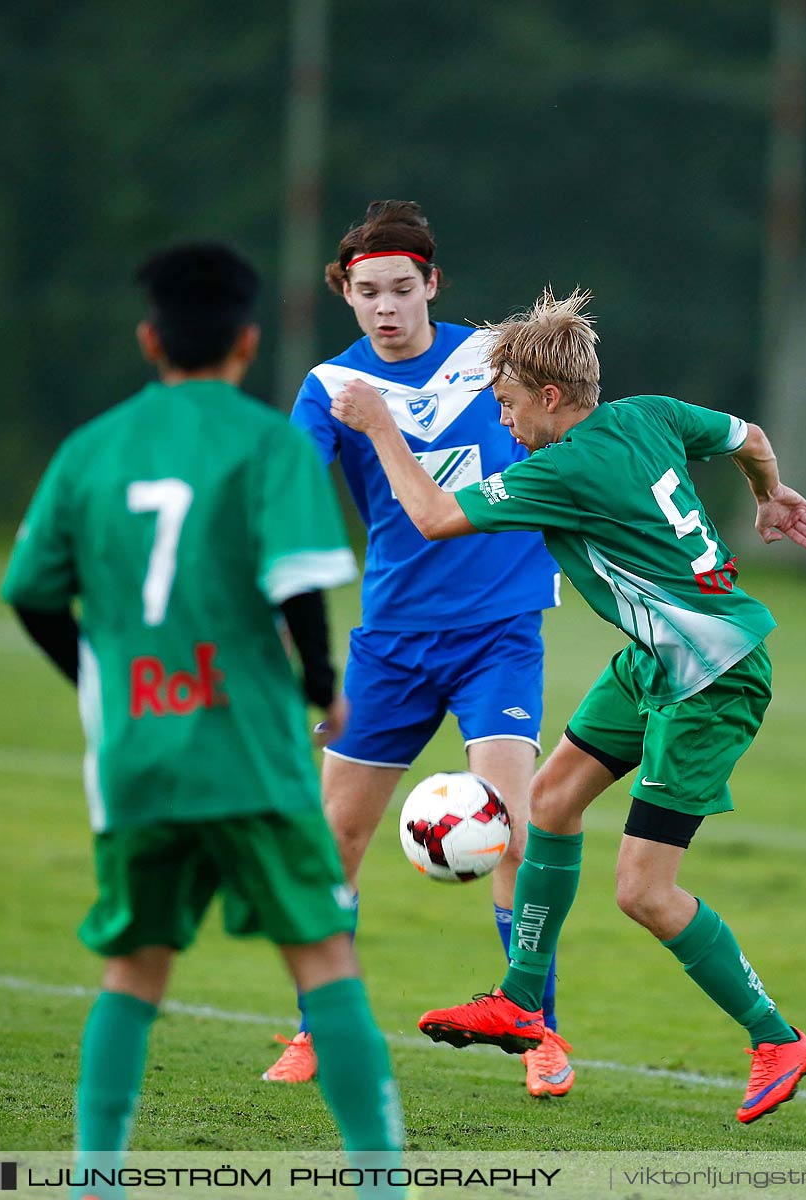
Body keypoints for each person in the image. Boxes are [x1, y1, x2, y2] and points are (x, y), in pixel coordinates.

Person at [329, 286, 806, 1124]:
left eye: (508, 400)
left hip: (713, 674)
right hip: (655, 662)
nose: (503, 414)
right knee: (550, 804)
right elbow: (750, 437)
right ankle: (523, 1000)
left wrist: (381, 425)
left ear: (551, 398)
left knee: (641, 890)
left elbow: (430, 515)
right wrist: (768, 494)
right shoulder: (648, 415)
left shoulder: (560, 470)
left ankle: (777, 1038)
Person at [1, 242, 403, 1197]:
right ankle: (379, 1182)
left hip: (138, 754)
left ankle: (96, 1180)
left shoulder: (89, 449)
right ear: (247, 342)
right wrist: (322, 687)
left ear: (150, 339)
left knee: (135, 970)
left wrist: (100, 676)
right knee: (322, 955)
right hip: (250, 753)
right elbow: (301, 586)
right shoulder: (266, 442)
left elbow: (31, 592)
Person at [270, 201, 572, 1098]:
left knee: (516, 832)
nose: (387, 307)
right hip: (392, 646)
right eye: (368, 293)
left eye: (403, 288)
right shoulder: (334, 387)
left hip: (500, 634)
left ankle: (540, 1029)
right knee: (335, 842)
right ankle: (315, 1028)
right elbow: (287, 485)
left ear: (432, 284)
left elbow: (574, 421)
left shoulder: (495, 360)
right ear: (347, 297)